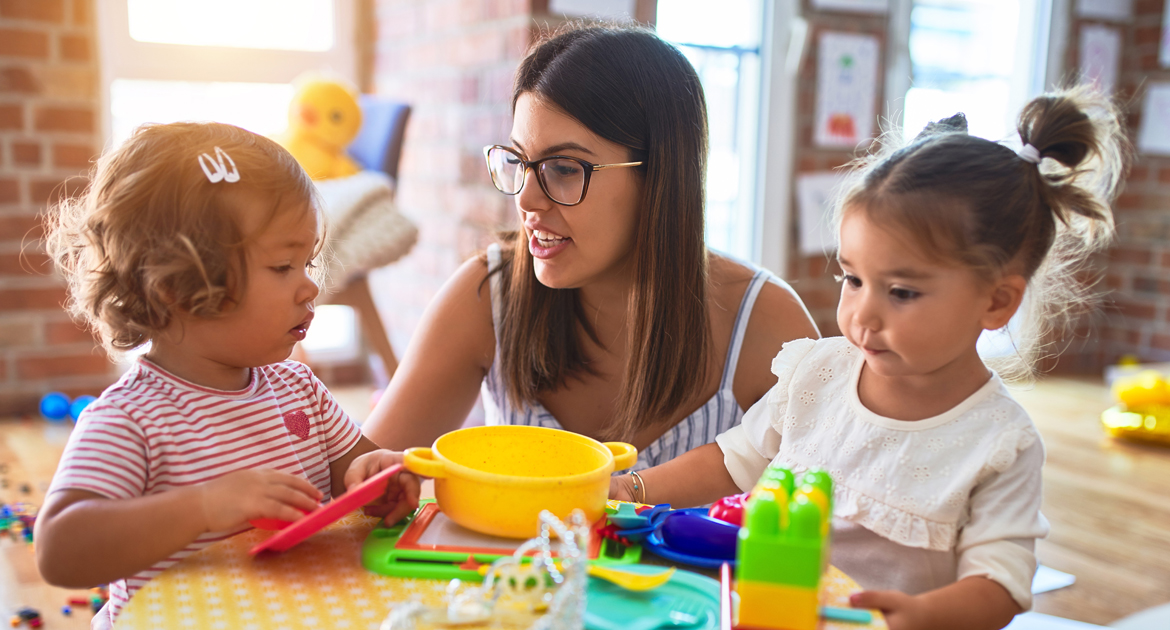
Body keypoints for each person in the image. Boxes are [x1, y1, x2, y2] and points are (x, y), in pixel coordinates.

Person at [610, 87, 1128, 630]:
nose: (863, 314)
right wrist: (637, 486)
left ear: (997, 301)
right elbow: (732, 459)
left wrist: (922, 615)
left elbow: (999, 584)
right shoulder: (818, 373)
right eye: (853, 280)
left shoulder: (1000, 442)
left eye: (901, 292)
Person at [362, 24, 819, 464]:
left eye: (563, 168)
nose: (526, 199)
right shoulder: (488, 295)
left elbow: (840, 511)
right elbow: (360, 488)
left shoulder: (766, 325)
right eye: (519, 161)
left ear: (659, 176)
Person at [35, 122, 418, 628]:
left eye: (307, 263)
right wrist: (205, 507)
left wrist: (378, 480)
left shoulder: (299, 391)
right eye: (283, 266)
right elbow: (61, 548)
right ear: (177, 285)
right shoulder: (132, 420)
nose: (308, 287)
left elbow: (353, 473)